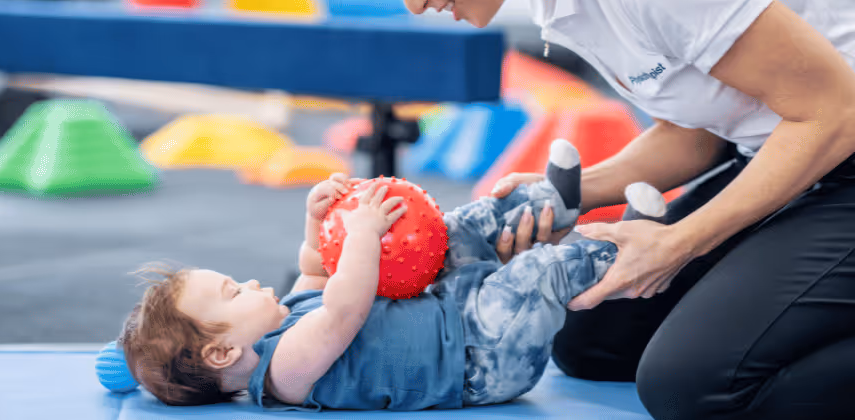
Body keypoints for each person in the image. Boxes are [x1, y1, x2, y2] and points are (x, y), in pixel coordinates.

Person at [327, 0, 855, 419]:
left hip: (839, 143)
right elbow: (699, 129)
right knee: (591, 340)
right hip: (795, 154)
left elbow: (835, 111)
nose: (414, 3)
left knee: (698, 386)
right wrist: (565, 193)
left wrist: (681, 241)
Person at [117, 142, 669, 410]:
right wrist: (362, 232)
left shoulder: (279, 324)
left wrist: (317, 217)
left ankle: (556, 202)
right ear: (220, 354)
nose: (252, 285)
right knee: (540, 271)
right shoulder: (284, 373)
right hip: (481, 361)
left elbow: (317, 270)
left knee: (458, 229)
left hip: (450, 309)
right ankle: (624, 243)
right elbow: (344, 308)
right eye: (233, 293)